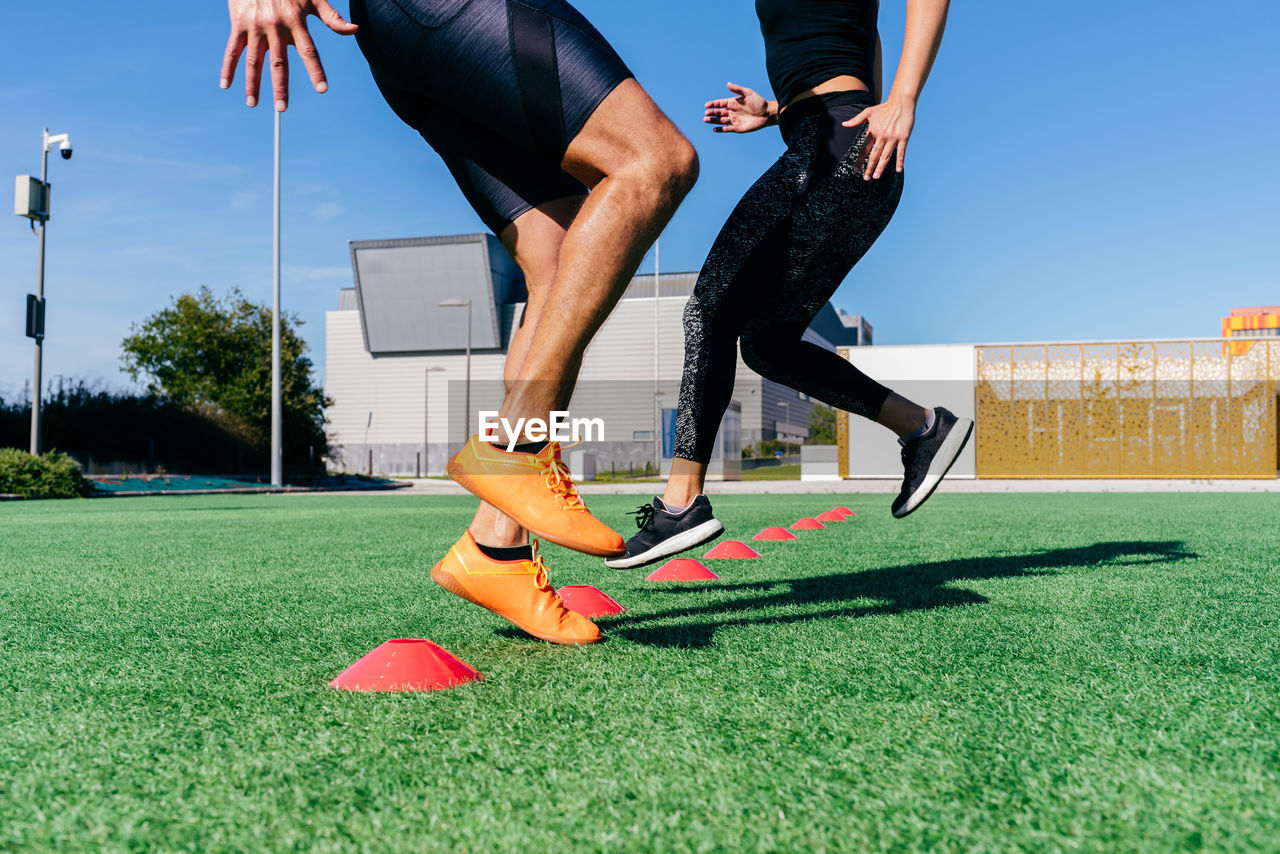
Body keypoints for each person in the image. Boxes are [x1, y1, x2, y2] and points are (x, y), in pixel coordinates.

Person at [220, 0, 698, 640]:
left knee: (560, 263)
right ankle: (517, 445)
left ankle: (496, 549)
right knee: (654, 160)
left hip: (413, 34)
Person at [607, 0, 971, 569]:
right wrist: (777, 112)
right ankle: (923, 427)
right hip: (840, 144)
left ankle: (681, 504)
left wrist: (902, 98)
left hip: (839, 147)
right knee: (767, 344)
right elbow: (858, 36)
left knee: (709, 311)